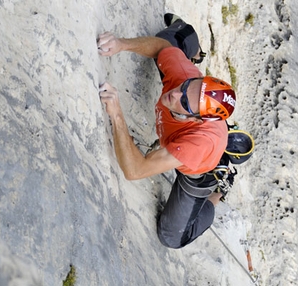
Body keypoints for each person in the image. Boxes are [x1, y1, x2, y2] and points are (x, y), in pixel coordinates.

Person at [97, 14, 236, 249]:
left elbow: (135, 170)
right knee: (166, 41)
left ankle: (219, 192)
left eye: (186, 104)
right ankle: (192, 43)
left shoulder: (197, 144)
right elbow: (163, 48)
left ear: (197, 118)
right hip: (192, 133)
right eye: (187, 87)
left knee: (171, 237)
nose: (175, 94)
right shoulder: (186, 81)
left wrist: (117, 115)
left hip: (199, 171)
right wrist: (121, 44)